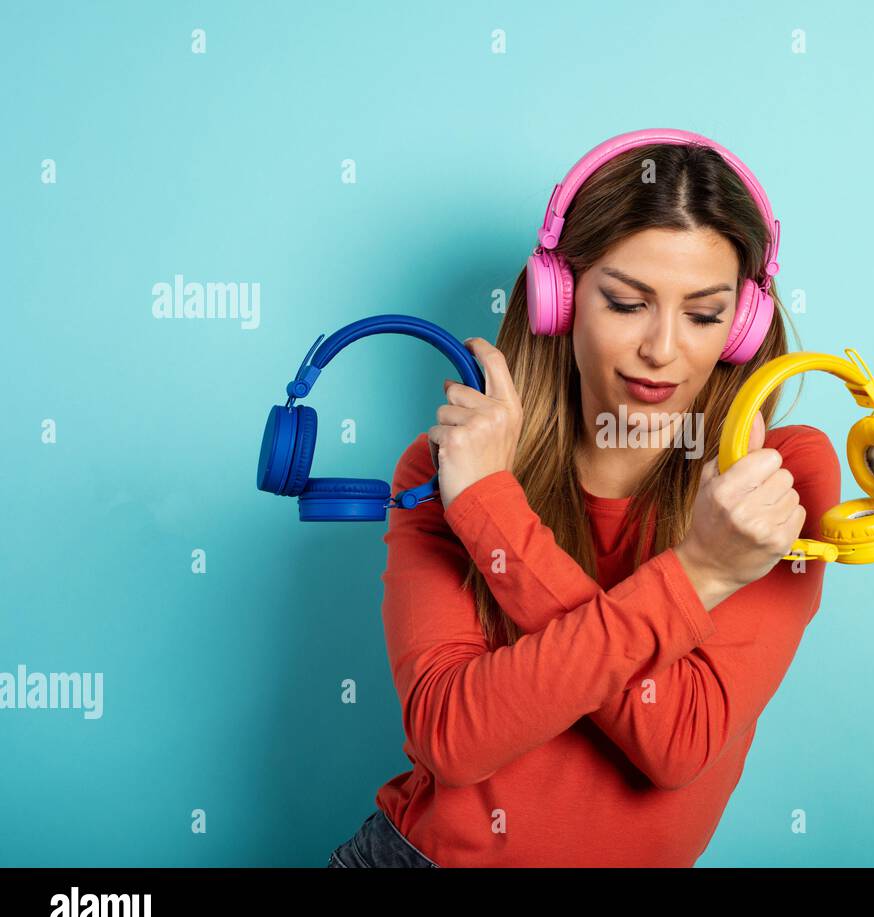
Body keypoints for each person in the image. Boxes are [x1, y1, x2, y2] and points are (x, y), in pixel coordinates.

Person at [327, 131, 840, 867]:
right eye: (628, 303)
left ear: (743, 326)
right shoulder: (449, 466)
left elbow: (677, 741)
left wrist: (492, 512)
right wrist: (699, 575)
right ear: (558, 298)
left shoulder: (777, 478)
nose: (662, 348)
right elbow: (451, 738)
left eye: (703, 314)